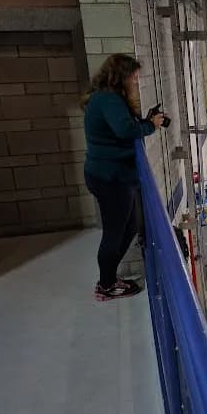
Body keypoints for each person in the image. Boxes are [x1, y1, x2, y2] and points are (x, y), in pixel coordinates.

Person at [82, 54, 165, 301]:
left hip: (111, 175)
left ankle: (108, 279)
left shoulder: (105, 98)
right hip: (111, 178)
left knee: (127, 227)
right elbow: (125, 130)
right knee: (114, 232)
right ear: (122, 76)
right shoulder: (108, 99)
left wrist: (143, 121)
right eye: (133, 77)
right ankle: (106, 285)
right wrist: (151, 126)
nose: (135, 81)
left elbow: (122, 125)